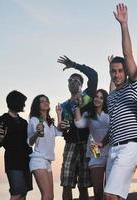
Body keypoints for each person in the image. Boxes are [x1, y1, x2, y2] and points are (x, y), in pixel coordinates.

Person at [100, 4, 137, 200]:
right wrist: (103, 142)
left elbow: (128, 55)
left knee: (109, 195)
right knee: (116, 197)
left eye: (119, 71)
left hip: (129, 146)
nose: (116, 74)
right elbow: (114, 124)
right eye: (113, 71)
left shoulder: (133, 86)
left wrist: (124, 25)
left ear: (125, 72)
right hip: (113, 148)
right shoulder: (112, 96)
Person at [57, 55, 98, 200]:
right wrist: (62, 126)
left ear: (81, 84)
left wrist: (74, 65)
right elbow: (63, 129)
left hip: (89, 143)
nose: (72, 83)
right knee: (66, 182)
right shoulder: (63, 106)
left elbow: (93, 75)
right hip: (70, 145)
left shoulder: (88, 96)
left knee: (84, 184)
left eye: (76, 80)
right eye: (70, 80)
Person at [0, 90, 33, 200]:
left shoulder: (24, 122)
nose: (24, 105)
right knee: (16, 194)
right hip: (13, 163)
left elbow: (29, 141)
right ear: (16, 102)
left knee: (23, 194)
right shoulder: (1, 121)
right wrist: (1, 137)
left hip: (26, 161)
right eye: (22, 102)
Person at [74, 89, 109, 200]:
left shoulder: (110, 113)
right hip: (95, 151)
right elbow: (79, 124)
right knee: (97, 190)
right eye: (96, 96)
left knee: (110, 190)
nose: (98, 99)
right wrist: (77, 106)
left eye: (101, 97)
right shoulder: (88, 114)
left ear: (105, 101)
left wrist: (103, 142)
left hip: (111, 150)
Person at [27, 95, 63, 200]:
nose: (45, 102)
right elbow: (30, 142)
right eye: (42, 101)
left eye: (47, 100)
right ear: (37, 106)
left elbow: (60, 131)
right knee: (46, 196)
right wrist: (37, 133)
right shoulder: (34, 120)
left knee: (50, 196)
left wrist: (59, 114)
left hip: (47, 161)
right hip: (38, 160)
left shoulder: (49, 123)